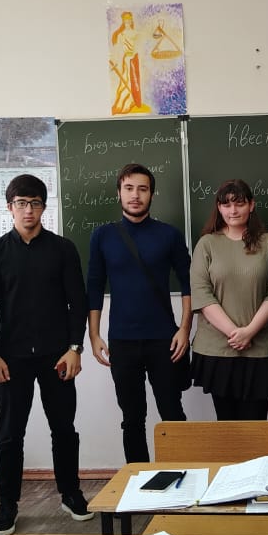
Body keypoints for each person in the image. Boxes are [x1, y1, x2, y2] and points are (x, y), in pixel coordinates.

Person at [0, 173, 92, 535]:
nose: (28, 210)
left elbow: (78, 304)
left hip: (57, 356)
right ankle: (7, 504)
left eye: (35, 203)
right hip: (11, 359)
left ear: (44, 207)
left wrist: (75, 349)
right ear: (9, 207)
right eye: (21, 203)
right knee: (10, 435)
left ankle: (71, 493)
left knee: (64, 429)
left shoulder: (63, 249)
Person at [87, 162, 192, 462]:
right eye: (129, 188)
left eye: (142, 189)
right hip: (122, 340)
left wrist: (184, 329)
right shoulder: (102, 236)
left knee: (172, 414)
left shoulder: (169, 235)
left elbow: (189, 284)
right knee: (132, 418)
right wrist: (94, 335)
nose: (135, 195)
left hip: (165, 341)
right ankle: (139, 479)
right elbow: (94, 287)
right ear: (118, 193)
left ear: (152, 195)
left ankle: (183, 476)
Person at [190, 179, 268, 420]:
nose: (233, 210)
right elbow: (201, 293)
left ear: (251, 205)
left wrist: (249, 332)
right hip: (217, 350)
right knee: (227, 428)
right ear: (219, 208)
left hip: (260, 349)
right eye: (226, 204)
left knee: (256, 425)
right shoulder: (207, 244)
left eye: (239, 203)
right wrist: (235, 333)